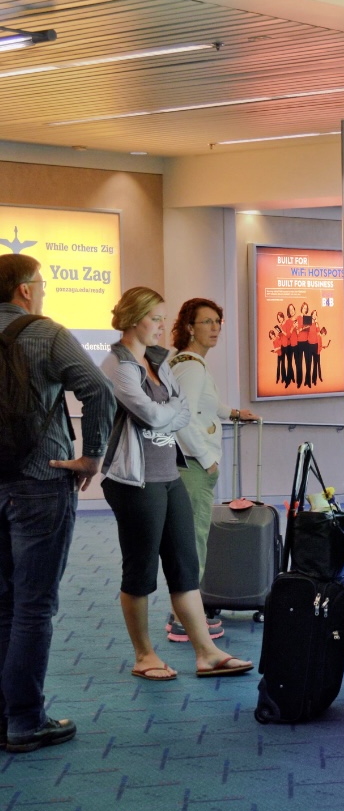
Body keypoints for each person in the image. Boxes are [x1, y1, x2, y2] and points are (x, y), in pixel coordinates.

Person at [100, 287, 253, 681]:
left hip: (168, 475)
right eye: (156, 318)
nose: (162, 326)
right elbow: (152, 415)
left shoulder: (158, 361)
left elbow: (181, 410)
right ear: (135, 319)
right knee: (140, 571)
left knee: (185, 567)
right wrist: (169, 413)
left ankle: (207, 653)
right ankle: (144, 655)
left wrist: (167, 413)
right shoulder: (116, 364)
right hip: (135, 481)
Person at [0, 254, 115, 753]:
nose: (43, 292)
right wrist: (90, 456)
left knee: (4, 603)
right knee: (32, 606)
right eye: (41, 284)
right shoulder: (46, 333)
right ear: (24, 290)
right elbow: (97, 390)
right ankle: (24, 721)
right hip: (40, 479)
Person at [168, 298, 259, 642]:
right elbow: (183, 418)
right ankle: (184, 622)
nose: (215, 327)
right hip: (193, 467)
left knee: (188, 541)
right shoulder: (191, 367)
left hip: (189, 465)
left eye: (218, 321)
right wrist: (207, 461)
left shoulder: (188, 363)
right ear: (189, 327)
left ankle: (181, 613)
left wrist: (233, 413)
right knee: (193, 544)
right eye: (207, 322)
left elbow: (206, 405)